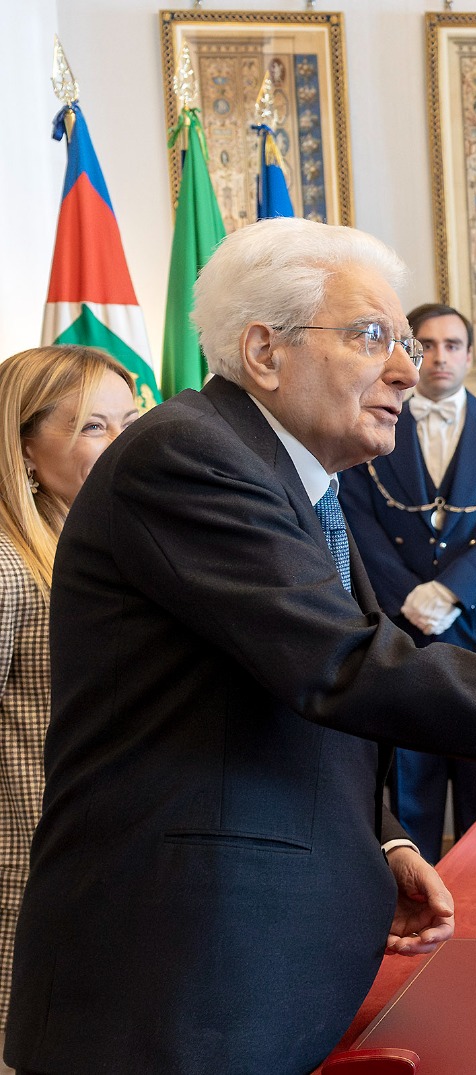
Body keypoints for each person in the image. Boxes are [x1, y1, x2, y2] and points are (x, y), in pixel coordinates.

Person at [6, 220, 476, 1074]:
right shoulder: (190, 456)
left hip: (245, 968)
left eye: (405, 342)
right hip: (173, 987)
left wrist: (382, 841)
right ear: (264, 351)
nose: (408, 369)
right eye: (374, 337)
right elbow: (347, 667)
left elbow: (276, 693)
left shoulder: (293, 476)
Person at [341, 302, 476, 862]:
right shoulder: (368, 422)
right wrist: (407, 597)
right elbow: (357, 519)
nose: (439, 357)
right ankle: (412, 893)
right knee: (409, 775)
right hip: (399, 624)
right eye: (425, 345)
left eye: (452, 345)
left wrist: (449, 592)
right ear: (406, 353)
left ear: (470, 355)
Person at [0, 346, 137, 1072]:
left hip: (102, 880)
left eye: (129, 422)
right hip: (25, 888)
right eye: (92, 426)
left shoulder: (98, 543)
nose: (121, 444)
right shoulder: (6, 564)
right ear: (25, 449)